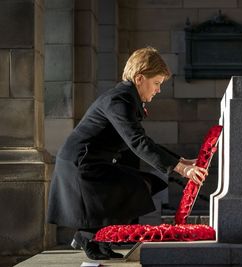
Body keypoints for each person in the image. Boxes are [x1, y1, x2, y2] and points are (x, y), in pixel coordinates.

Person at [47, 47, 208, 260]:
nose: (159, 90)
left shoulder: (126, 98)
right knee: (135, 186)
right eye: (157, 83)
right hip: (81, 165)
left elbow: (142, 139)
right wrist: (182, 169)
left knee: (138, 184)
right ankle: (87, 236)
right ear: (140, 78)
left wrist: (180, 161)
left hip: (93, 162)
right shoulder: (119, 100)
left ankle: (99, 239)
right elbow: (137, 141)